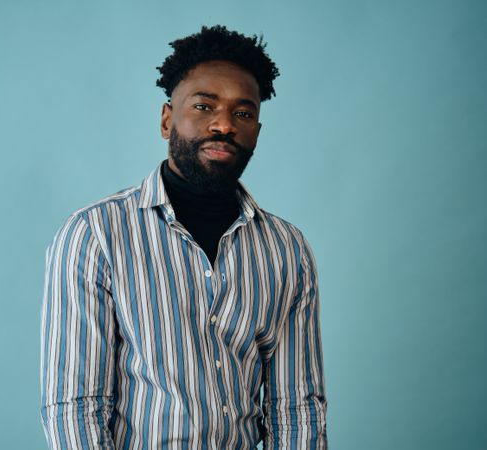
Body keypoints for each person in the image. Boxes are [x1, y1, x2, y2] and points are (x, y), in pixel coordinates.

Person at [40, 25, 327, 449]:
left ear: (257, 134)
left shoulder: (287, 250)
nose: (224, 125)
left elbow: (296, 409)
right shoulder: (96, 235)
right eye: (204, 105)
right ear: (166, 119)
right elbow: (75, 407)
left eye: (243, 113)